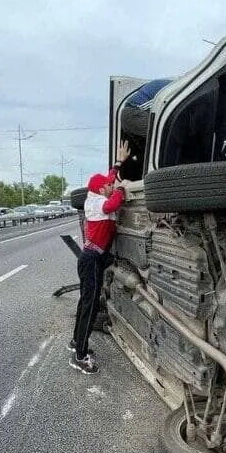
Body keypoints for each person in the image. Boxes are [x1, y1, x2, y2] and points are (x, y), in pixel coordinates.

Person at [69, 141, 130, 374]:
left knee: (87, 302)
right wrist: (123, 188)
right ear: (100, 189)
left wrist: (118, 163)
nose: (111, 185)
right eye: (108, 185)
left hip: (93, 258)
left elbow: (109, 178)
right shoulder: (95, 203)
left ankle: (76, 342)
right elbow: (114, 201)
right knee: (90, 305)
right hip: (91, 260)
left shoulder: (98, 195)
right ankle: (80, 356)